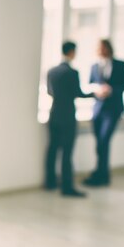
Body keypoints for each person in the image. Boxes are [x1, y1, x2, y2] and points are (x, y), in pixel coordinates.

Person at [44, 41, 94, 198]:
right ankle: (67, 187)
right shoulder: (72, 73)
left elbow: (50, 92)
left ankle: (50, 182)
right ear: (72, 52)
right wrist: (95, 94)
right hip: (67, 117)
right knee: (67, 153)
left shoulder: (52, 71)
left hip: (54, 115)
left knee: (52, 149)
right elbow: (78, 93)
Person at [83, 38, 124, 187]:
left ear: (109, 48)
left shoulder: (121, 65)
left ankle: (102, 174)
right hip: (98, 110)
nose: (100, 50)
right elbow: (91, 83)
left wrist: (111, 90)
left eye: (103, 47)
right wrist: (97, 91)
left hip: (113, 109)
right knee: (99, 143)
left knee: (104, 141)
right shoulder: (94, 66)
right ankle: (101, 174)